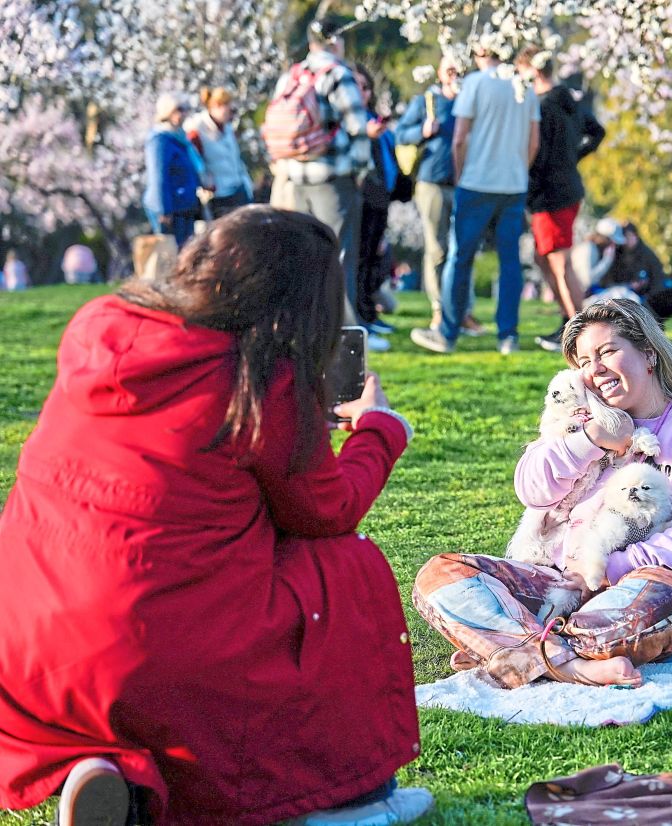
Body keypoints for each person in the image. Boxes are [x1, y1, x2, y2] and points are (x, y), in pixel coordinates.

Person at [0, 207, 430, 826]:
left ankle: (100, 768)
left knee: (117, 649)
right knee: (343, 563)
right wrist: (381, 429)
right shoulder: (259, 378)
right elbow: (327, 509)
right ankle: (348, 795)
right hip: (151, 644)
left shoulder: (100, 324)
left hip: (29, 638)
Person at [413, 299, 672, 688]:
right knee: (441, 576)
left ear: (649, 354)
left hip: (642, 588)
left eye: (608, 351)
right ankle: (571, 664)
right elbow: (531, 489)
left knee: (649, 605)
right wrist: (590, 441)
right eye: (584, 361)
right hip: (557, 583)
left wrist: (603, 570)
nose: (595, 369)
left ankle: (511, 647)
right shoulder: (578, 421)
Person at [409, 40, 541, 356]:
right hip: (513, 185)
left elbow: (459, 139)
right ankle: (507, 336)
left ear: (482, 52)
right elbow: (533, 142)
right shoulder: (525, 86)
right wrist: (518, 171)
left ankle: (448, 332)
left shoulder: (475, 84)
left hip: (476, 183)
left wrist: (459, 175)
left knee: (460, 257)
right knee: (510, 262)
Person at [274, 18, 371, 324]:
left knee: (305, 255)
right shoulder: (338, 75)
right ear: (336, 41)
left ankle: (303, 326)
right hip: (332, 179)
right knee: (338, 256)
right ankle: (344, 330)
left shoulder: (292, 75)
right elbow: (357, 124)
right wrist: (362, 168)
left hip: (296, 177)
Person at [515, 46, 607, 352]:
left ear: (533, 70)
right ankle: (569, 320)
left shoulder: (541, 106)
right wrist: (573, 158)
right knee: (544, 257)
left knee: (558, 261)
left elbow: (536, 152)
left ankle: (578, 328)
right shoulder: (571, 100)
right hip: (566, 186)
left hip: (549, 192)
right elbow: (597, 131)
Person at [394, 54, 485, 335]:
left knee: (464, 249)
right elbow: (401, 133)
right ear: (439, 72)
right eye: (449, 69)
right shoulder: (426, 102)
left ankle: (462, 311)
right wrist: (422, 130)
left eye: (458, 69)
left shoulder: (471, 101)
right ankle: (438, 308)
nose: (454, 74)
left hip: (465, 184)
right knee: (437, 249)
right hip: (432, 183)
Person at [599, 221, 672, 341]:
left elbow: (658, 279)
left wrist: (647, 293)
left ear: (635, 235)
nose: (625, 240)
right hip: (628, 298)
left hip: (651, 297)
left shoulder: (646, 253)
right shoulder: (616, 255)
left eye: (627, 236)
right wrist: (630, 286)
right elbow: (610, 283)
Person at [353, 64, 396, 353]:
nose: (363, 93)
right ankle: (361, 317)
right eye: (359, 87)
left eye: (366, 87)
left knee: (371, 256)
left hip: (380, 196)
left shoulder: (372, 120)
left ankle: (369, 313)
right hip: (361, 197)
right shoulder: (352, 122)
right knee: (358, 258)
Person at [143, 92, 203, 248]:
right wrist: (163, 209)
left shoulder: (180, 138)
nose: (182, 114)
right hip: (171, 208)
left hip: (185, 205)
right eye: (179, 109)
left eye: (184, 109)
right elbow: (158, 176)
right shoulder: (160, 140)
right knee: (172, 252)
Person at [185, 87, 254, 218]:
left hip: (238, 187)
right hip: (218, 194)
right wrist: (207, 183)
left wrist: (246, 182)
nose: (230, 112)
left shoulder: (227, 127)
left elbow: (235, 158)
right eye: (227, 107)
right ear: (216, 106)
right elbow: (195, 162)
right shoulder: (196, 130)